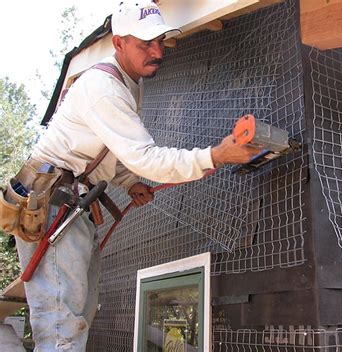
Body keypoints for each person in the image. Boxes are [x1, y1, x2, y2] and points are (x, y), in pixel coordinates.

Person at [15, 1, 261, 350]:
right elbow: (145, 157)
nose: (157, 51)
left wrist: (129, 182)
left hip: (69, 204)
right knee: (61, 324)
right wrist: (214, 155)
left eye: (160, 40)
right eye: (145, 43)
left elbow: (110, 149)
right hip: (51, 203)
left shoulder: (128, 83)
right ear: (118, 43)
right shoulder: (103, 86)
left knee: (77, 313)